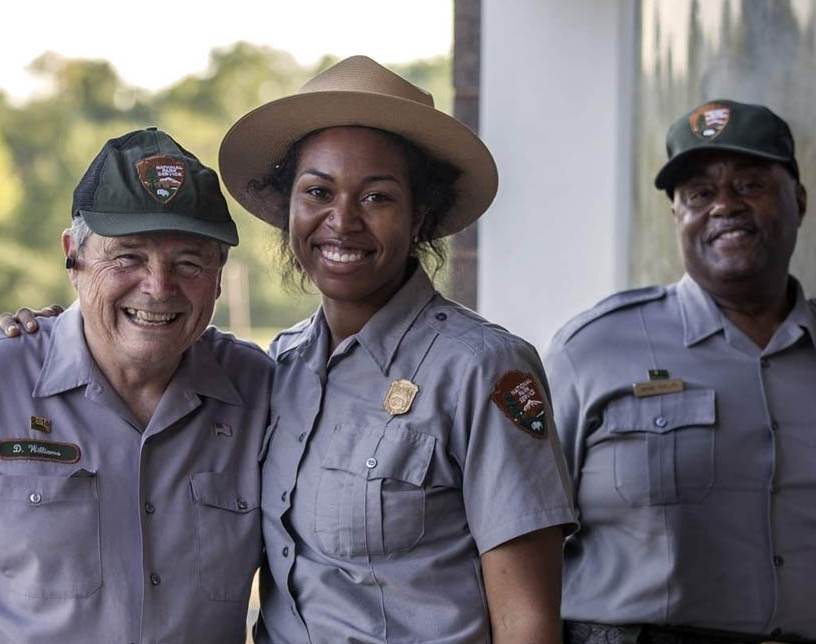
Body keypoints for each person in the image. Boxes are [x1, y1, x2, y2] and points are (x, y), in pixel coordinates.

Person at [220, 54, 577, 644]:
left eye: (377, 197)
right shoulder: (277, 369)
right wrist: (39, 334)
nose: (342, 220)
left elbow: (528, 622)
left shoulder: (481, 369)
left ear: (420, 217)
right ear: (289, 208)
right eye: (318, 191)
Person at [0, 128, 271, 644]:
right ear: (74, 256)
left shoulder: (261, 394)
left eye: (189, 262)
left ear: (220, 275)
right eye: (128, 257)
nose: (158, 287)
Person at [544, 99, 816, 643]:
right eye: (700, 194)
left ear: (798, 200)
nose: (725, 206)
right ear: (676, 216)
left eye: (750, 185)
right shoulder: (591, 351)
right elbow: (516, 541)